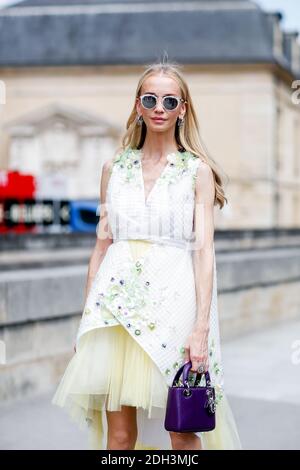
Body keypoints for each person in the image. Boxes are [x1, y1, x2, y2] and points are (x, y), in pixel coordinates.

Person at [52, 61, 242, 451]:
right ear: (138, 105)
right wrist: (88, 314)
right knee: (118, 436)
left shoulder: (196, 172)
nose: (159, 107)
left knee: (183, 428)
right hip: (115, 310)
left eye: (169, 100)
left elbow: (204, 251)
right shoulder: (114, 168)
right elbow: (101, 247)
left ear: (182, 109)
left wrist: (201, 327)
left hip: (176, 305)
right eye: (150, 98)